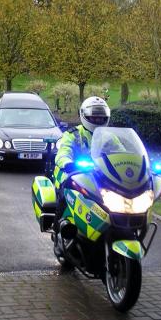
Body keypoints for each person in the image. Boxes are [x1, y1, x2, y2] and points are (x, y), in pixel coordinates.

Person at [52, 96, 111, 257]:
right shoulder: (73, 134)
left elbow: (121, 152)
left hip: (98, 178)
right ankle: (58, 232)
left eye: (101, 116)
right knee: (65, 195)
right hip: (72, 174)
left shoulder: (109, 137)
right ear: (84, 115)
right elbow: (63, 151)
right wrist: (67, 163)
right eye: (94, 116)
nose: (98, 119)